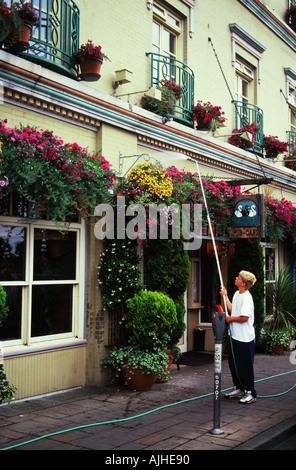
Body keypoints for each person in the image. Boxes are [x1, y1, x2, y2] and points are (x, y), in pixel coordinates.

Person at [220, 270, 257, 404]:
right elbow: (232, 309)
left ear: (243, 283)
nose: (236, 278)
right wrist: (225, 296)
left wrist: (230, 319)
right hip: (234, 336)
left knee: (244, 365)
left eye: (238, 277)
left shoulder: (247, 297)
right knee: (233, 364)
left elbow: (244, 318)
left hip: (244, 338)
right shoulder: (237, 294)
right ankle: (239, 388)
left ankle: (250, 392)